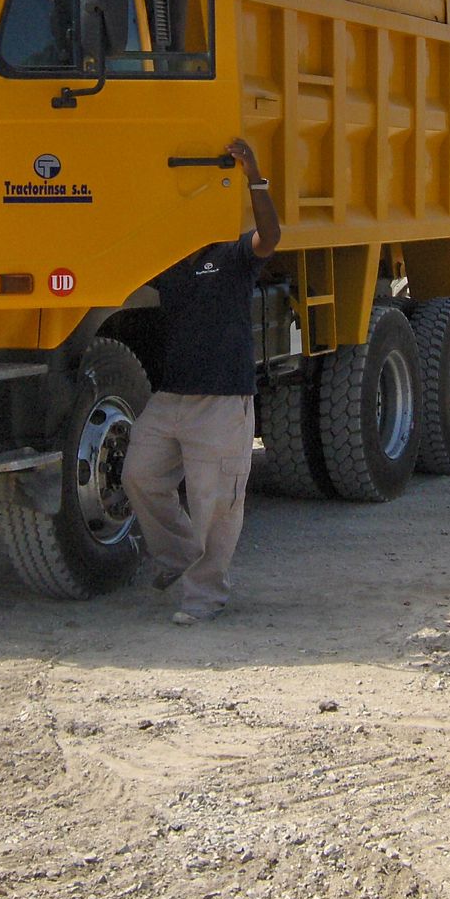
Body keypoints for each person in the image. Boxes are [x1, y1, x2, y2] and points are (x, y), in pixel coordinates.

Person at [122, 137, 281, 625]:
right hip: (172, 396)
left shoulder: (231, 257)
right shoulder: (169, 267)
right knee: (139, 476)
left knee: (216, 504)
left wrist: (254, 174)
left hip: (222, 398)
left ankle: (204, 596)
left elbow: (270, 236)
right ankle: (176, 559)